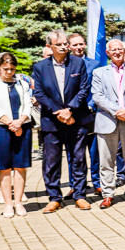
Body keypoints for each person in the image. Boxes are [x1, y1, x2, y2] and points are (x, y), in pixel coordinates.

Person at [32, 29, 93, 212]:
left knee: (78, 159)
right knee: (51, 161)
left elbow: (84, 89)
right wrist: (58, 112)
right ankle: (54, 197)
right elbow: (40, 93)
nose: (64, 46)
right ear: (49, 47)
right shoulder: (40, 67)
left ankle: (80, 195)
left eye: (65, 43)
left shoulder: (78, 63)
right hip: (52, 121)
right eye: (59, 44)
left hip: (76, 118)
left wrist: (70, 110)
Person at [92, 39, 125, 208]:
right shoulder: (99, 73)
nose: (117, 52)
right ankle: (108, 194)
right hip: (107, 120)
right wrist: (117, 111)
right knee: (106, 161)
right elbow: (97, 96)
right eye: (113, 50)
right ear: (108, 53)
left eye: (120, 49)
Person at [0, 53, 33, 218]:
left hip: (22, 127)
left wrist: (20, 122)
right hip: (1, 128)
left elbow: (27, 106)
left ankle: (18, 202)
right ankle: (8, 204)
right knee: (4, 168)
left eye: (12, 69)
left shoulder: (22, 84)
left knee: (20, 166)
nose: (9, 72)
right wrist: (10, 123)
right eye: (6, 69)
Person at [67, 33, 103, 196]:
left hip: (91, 113)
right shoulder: (65, 64)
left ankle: (96, 182)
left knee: (94, 151)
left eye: (81, 44)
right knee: (73, 152)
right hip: (71, 115)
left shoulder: (95, 64)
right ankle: (74, 184)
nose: (79, 47)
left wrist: (90, 105)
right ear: (69, 47)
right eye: (75, 45)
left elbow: (98, 88)